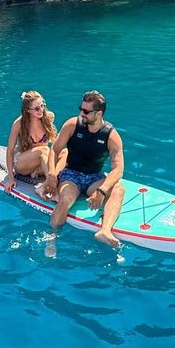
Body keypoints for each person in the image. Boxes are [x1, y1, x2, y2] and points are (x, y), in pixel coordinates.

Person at [45, 90, 125, 248]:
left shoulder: (111, 135)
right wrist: (52, 174)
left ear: (99, 113)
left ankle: (105, 231)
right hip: (71, 175)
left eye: (86, 111)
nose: (81, 113)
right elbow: (54, 150)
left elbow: (118, 169)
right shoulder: (72, 125)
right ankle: (52, 237)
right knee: (66, 199)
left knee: (118, 189)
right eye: (80, 109)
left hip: (94, 177)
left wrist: (102, 190)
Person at [4, 90, 57, 192]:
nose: (41, 110)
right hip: (23, 164)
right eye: (37, 108)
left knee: (65, 154)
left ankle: (46, 178)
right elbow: (10, 150)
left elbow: (55, 145)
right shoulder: (19, 124)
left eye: (42, 106)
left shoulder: (49, 117)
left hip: (40, 163)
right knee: (43, 150)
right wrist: (11, 178)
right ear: (28, 110)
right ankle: (52, 186)